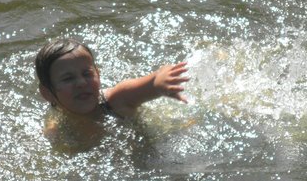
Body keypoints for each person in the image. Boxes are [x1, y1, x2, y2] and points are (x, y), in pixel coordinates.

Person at [35, 38, 190, 123]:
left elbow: (154, 80)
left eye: (87, 74)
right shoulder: (56, 123)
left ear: (98, 75)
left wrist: (160, 85)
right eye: (68, 78)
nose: (81, 83)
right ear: (47, 93)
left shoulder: (117, 100)